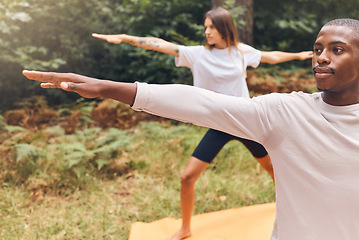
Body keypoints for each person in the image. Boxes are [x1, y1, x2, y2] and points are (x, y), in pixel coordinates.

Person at [23, 18, 359, 240]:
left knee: (275, 171)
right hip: (238, 120)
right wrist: (109, 88)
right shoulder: (284, 112)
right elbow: (199, 103)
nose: (321, 59)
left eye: (337, 50)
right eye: (316, 49)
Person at [92, 7, 312, 240]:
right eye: (205, 27)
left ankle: (296, 213)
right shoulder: (197, 54)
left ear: (224, 29)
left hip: (247, 122)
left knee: (274, 169)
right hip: (219, 124)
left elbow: (271, 56)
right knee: (187, 177)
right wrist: (125, 39)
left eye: (211, 27)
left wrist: (298, 55)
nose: (206, 31)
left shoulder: (240, 52)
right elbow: (160, 44)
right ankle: (185, 228)